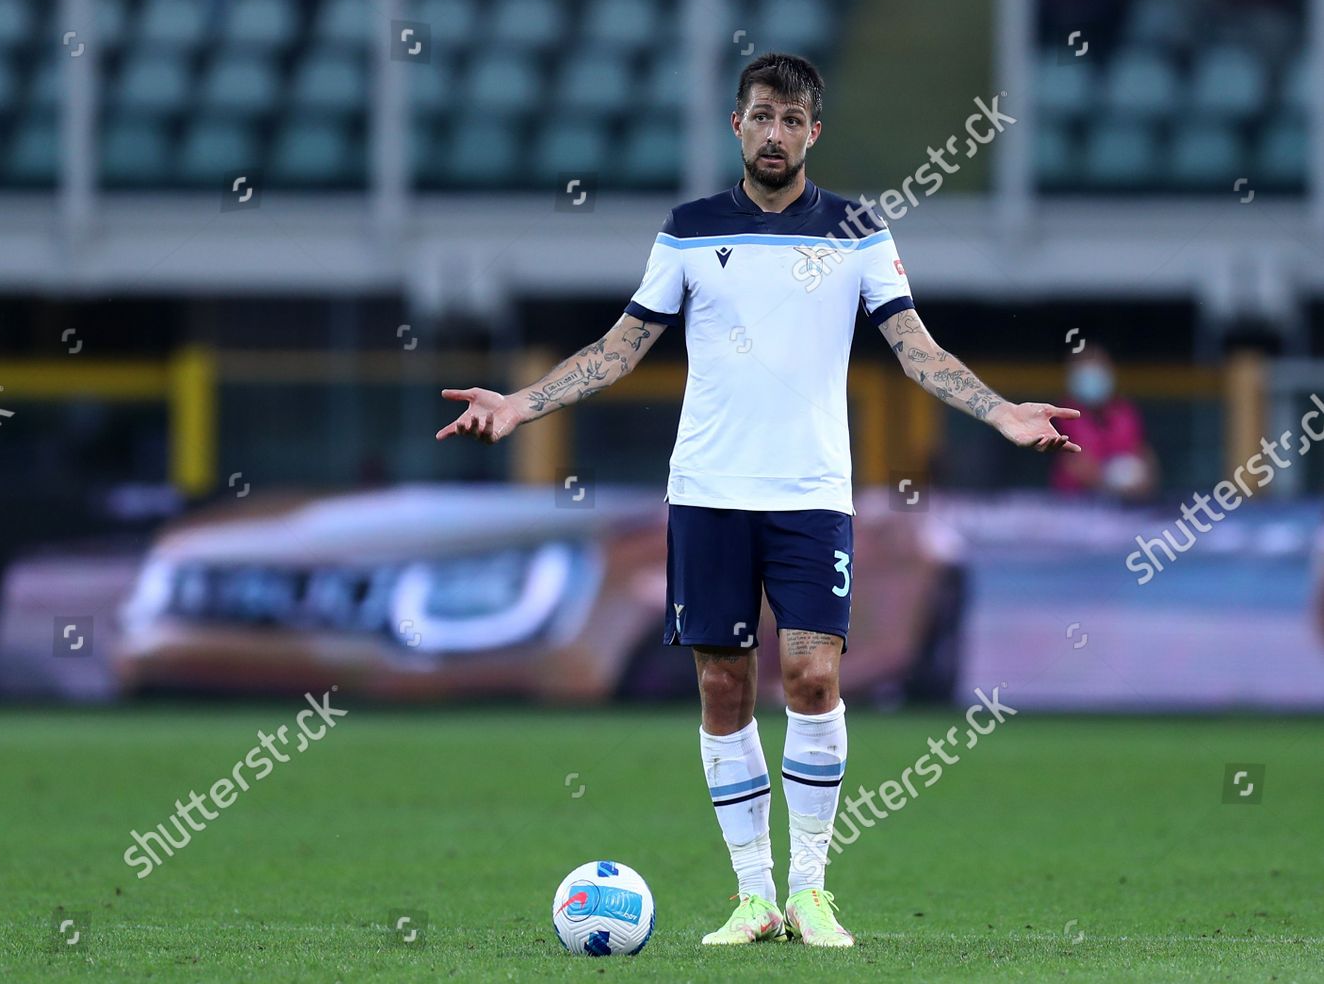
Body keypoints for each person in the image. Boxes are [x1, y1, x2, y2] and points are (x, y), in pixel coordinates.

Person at [436, 53, 1078, 949]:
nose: (774, 133)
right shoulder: (689, 230)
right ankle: (754, 897)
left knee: (812, 676)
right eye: (760, 116)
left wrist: (1002, 410)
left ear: (814, 133)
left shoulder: (856, 228)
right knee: (724, 687)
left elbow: (915, 348)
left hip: (812, 494)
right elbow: (621, 348)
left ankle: (813, 891)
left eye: (791, 120)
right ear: (735, 125)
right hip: (707, 493)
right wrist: (518, 404)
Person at [1050, 344, 1158, 499]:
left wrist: (1142, 477)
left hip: (1125, 505)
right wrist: (1114, 478)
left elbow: (1144, 455)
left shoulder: (1125, 411)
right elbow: (1072, 463)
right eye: (1085, 370)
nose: (1092, 378)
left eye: (1098, 368)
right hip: (1073, 505)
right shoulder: (1060, 414)